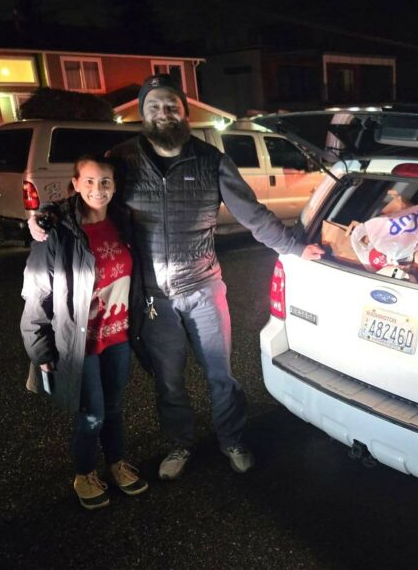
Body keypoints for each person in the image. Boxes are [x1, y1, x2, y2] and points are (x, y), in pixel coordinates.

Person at [31, 74, 324, 480]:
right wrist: (45, 218)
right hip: (153, 298)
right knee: (169, 383)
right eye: (154, 106)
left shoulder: (211, 160)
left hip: (204, 287)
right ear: (143, 113)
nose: (163, 113)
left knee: (221, 375)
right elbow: (91, 195)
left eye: (171, 106)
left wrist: (294, 247)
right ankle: (181, 443)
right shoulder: (122, 158)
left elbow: (252, 214)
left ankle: (232, 439)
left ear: (184, 112)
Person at [21, 154, 149, 509]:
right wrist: (40, 350)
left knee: (115, 406)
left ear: (115, 186)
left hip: (118, 336)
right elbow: (37, 291)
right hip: (81, 341)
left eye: (105, 181)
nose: (98, 189)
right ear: (75, 184)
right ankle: (83, 472)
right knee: (91, 413)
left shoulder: (124, 222)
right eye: (89, 181)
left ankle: (116, 463)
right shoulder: (57, 231)